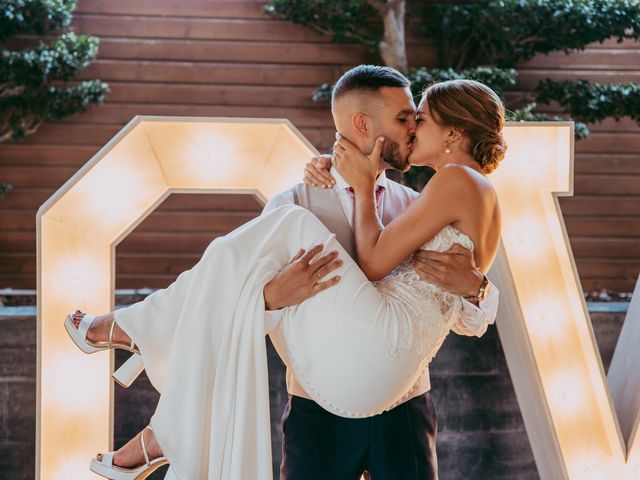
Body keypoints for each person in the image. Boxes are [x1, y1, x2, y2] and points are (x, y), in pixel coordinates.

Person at [64, 67, 505, 480]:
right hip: (320, 412)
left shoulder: (417, 204)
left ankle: (139, 338)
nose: (413, 129)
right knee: (284, 228)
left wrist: (478, 289)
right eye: (406, 118)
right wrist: (272, 297)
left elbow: (459, 315)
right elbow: (238, 313)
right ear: (363, 125)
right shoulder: (296, 202)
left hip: (402, 404)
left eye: (418, 119)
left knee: (282, 234)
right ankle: (156, 385)